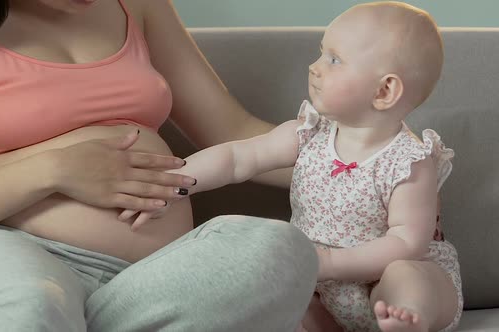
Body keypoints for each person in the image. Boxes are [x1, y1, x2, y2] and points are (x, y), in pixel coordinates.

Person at [0, 0, 319, 331]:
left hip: (147, 278)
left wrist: (370, 162)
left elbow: (234, 130)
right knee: (29, 304)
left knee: (278, 251)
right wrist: (52, 170)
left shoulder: (139, 6)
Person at [121, 2, 463, 331]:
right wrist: (177, 180)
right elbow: (239, 158)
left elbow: (406, 241)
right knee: (275, 298)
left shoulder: (408, 162)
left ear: (385, 90)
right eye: (320, 52)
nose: (314, 66)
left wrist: (330, 263)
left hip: (378, 278)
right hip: (316, 285)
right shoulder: (307, 134)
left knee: (409, 274)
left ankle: (406, 318)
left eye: (334, 60)